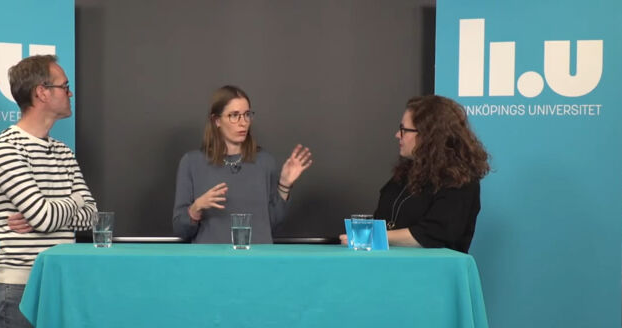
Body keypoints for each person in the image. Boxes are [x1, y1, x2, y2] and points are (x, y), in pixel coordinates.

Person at [0, 55, 98, 328]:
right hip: (21, 286)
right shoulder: (5, 148)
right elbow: (44, 215)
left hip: (62, 285)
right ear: (41, 93)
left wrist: (47, 214)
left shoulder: (62, 152)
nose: (71, 93)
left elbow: (92, 215)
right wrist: (55, 212)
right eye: (64, 86)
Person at [341, 95, 490, 253]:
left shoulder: (459, 181)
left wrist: (370, 235)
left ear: (428, 135)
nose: (397, 135)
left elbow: (434, 234)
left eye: (403, 130)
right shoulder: (404, 176)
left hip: (433, 272)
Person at [173, 85, 312, 243]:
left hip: (256, 261)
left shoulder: (264, 162)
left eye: (247, 115)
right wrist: (196, 208)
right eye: (234, 115)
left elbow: (272, 224)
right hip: (212, 262)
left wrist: (285, 185)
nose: (243, 122)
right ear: (216, 120)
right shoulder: (192, 163)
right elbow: (181, 229)